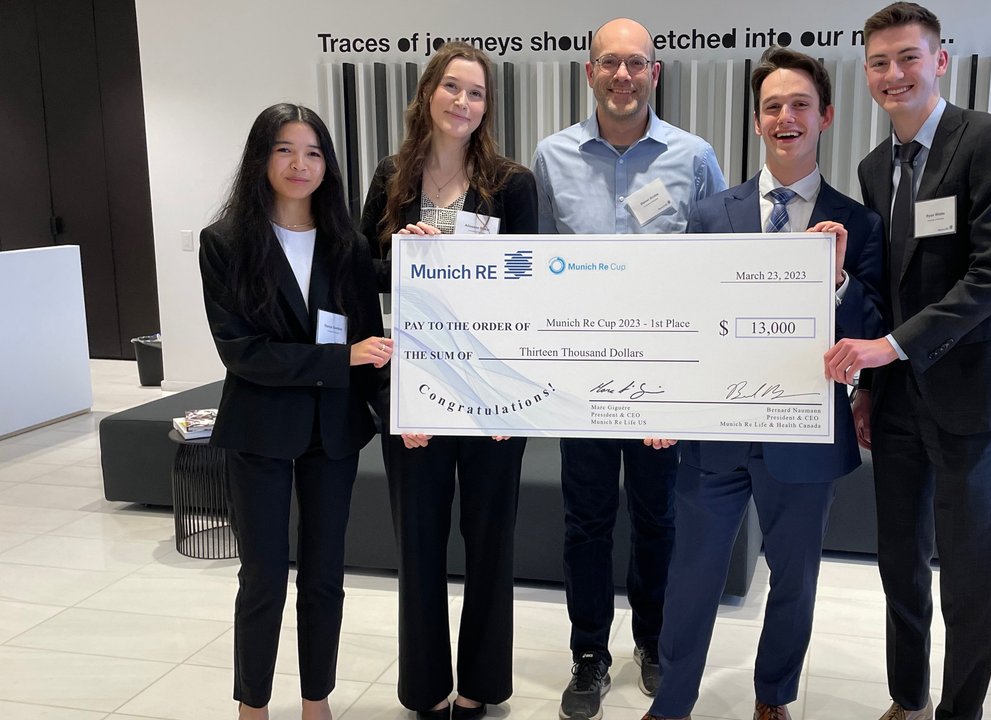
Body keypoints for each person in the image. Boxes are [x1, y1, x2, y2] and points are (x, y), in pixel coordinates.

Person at [641, 46, 885, 720]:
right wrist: (668, 401)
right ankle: (673, 703)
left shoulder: (857, 222)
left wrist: (836, 279)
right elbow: (685, 318)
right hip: (715, 435)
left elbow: (875, 324)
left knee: (795, 581)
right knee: (690, 579)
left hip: (804, 435)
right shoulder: (714, 213)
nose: (786, 117)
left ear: (825, 116)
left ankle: (773, 696)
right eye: (773, 106)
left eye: (800, 105)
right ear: (756, 122)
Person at [826, 4, 991, 719]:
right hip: (896, 400)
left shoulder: (989, 141)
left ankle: (959, 712)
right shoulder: (871, 166)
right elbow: (888, 285)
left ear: (939, 61)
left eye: (908, 58)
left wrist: (890, 347)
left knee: (969, 571)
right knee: (900, 564)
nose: (895, 74)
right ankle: (907, 697)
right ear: (866, 74)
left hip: (974, 393)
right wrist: (870, 384)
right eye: (880, 62)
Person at [531, 17, 727, 720]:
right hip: (581, 382)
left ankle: (652, 641)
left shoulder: (694, 156)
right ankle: (589, 654)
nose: (622, 76)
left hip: (662, 382)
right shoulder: (550, 157)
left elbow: (717, 265)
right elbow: (530, 269)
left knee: (657, 516)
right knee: (585, 519)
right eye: (609, 63)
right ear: (589, 73)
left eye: (635, 64)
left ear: (655, 72)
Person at [358, 41, 537, 720]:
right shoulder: (391, 179)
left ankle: (480, 687)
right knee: (420, 545)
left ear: (488, 106)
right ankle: (425, 688)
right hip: (416, 390)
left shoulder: (512, 183)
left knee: (491, 543)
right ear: (428, 92)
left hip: (492, 391)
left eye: (477, 93)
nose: (464, 103)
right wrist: (403, 256)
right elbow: (360, 275)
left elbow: (527, 290)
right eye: (453, 88)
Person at [198, 103, 389, 720]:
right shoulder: (224, 243)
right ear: (261, 158)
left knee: (325, 577)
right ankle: (252, 705)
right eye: (285, 149)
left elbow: (373, 341)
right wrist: (339, 361)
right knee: (261, 580)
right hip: (260, 429)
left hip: (333, 432)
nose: (300, 164)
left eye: (313, 152)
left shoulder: (348, 246)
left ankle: (317, 701)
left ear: (328, 166)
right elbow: (243, 353)